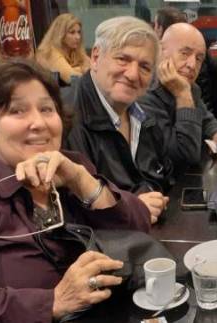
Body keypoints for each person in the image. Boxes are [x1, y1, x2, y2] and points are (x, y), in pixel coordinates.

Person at [0, 59, 151, 323]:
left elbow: (139, 230)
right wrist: (54, 301)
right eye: (17, 111)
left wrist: (81, 181)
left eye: (47, 109)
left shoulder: (72, 166)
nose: (39, 124)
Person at [64, 16, 170, 224]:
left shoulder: (144, 116)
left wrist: (149, 198)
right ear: (95, 57)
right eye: (123, 59)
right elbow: (75, 209)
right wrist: (133, 207)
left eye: (145, 67)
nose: (132, 74)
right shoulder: (66, 118)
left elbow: (159, 176)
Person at [141, 23, 217, 161]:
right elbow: (186, 156)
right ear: (160, 51)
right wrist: (183, 95)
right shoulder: (143, 93)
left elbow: (206, 118)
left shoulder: (191, 87)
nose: (192, 65)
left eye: (198, 58)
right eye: (185, 53)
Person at [36, 13, 90, 85]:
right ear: (60, 34)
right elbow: (72, 78)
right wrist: (82, 69)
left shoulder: (74, 50)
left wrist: (78, 70)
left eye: (79, 32)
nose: (78, 37)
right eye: (72, 32)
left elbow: (95, 70)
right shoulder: (49, 52)